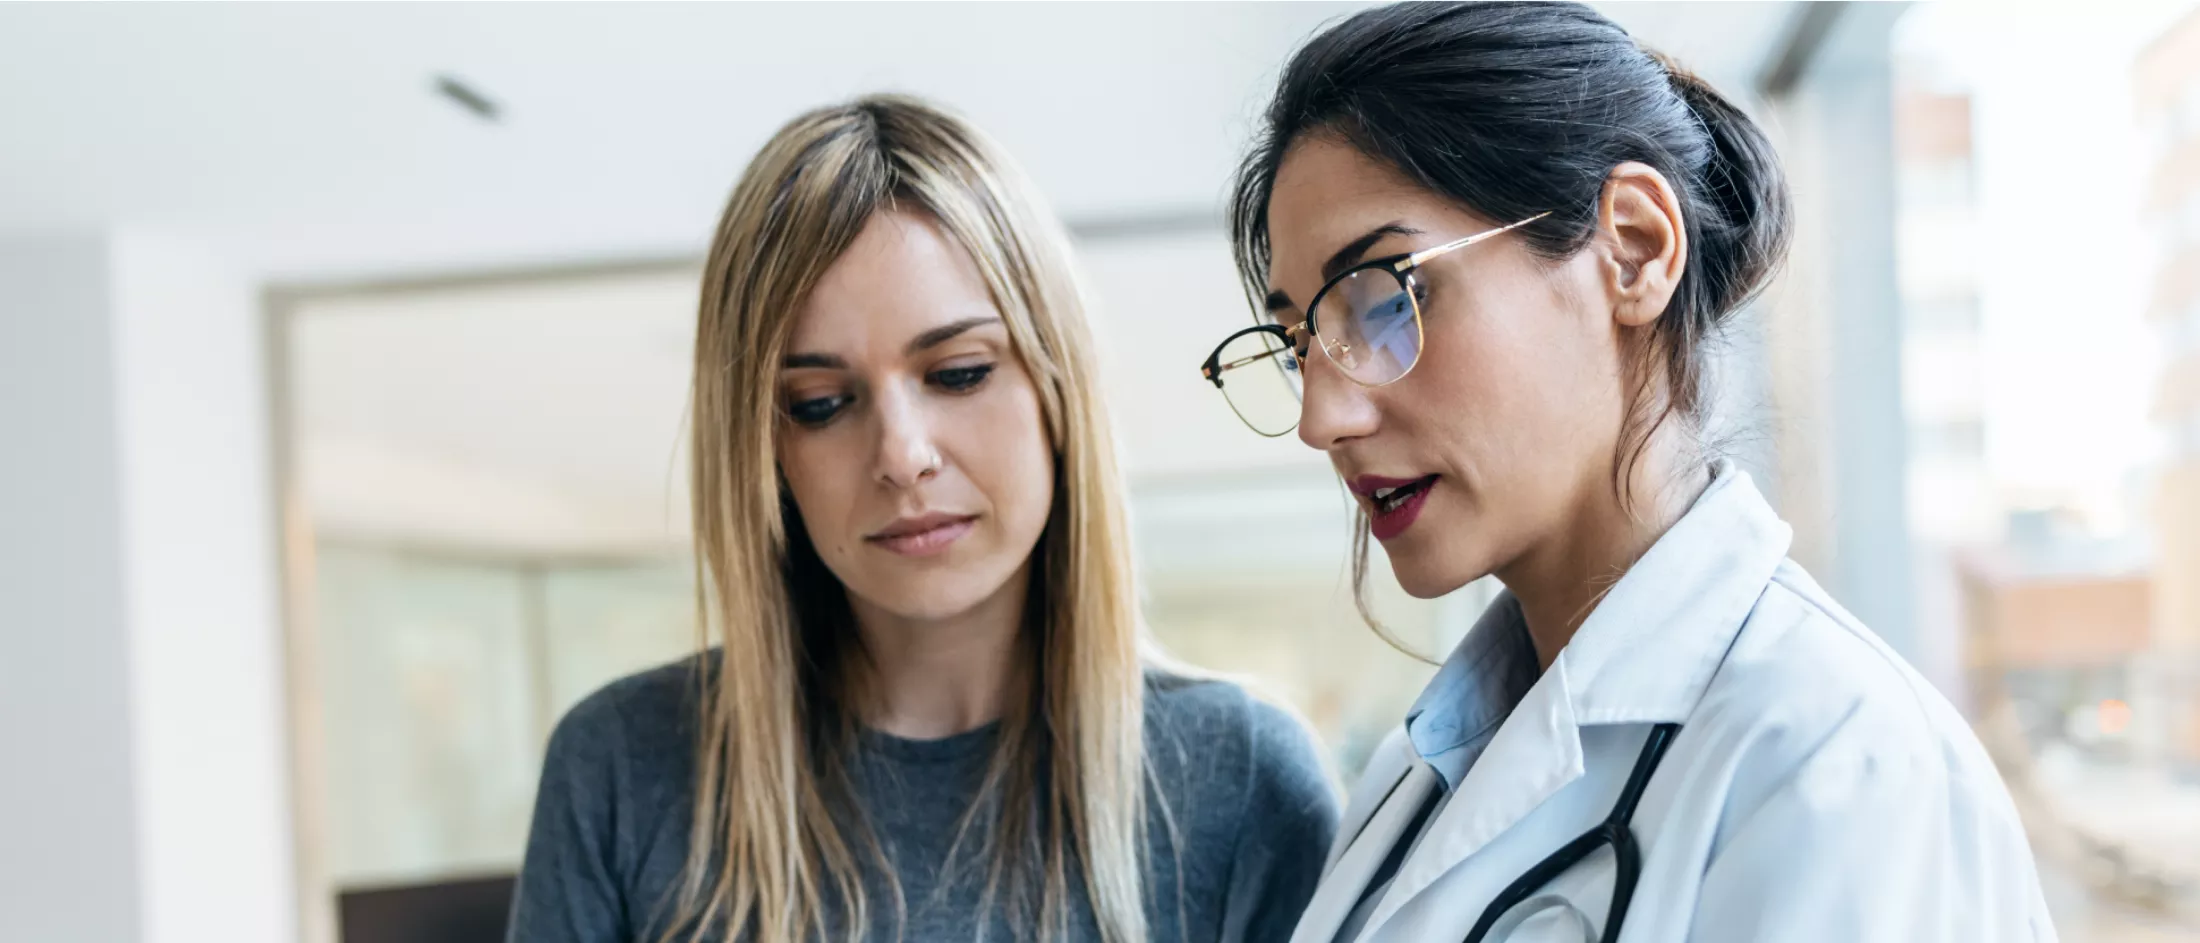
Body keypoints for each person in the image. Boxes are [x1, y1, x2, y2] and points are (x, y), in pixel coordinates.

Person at [1198, 4, 2057, 941]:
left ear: (1635, 248)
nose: (1323, 417)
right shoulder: (1412, 785)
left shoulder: (1839, 761)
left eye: (1385, 297)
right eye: (1298, 344)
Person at [509, 95, 1338, 943]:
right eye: (821, 402)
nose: (902, 455)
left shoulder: (1240, 779)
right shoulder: (619, 767)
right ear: (763, 449)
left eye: (960, 373)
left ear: (1057, 389)